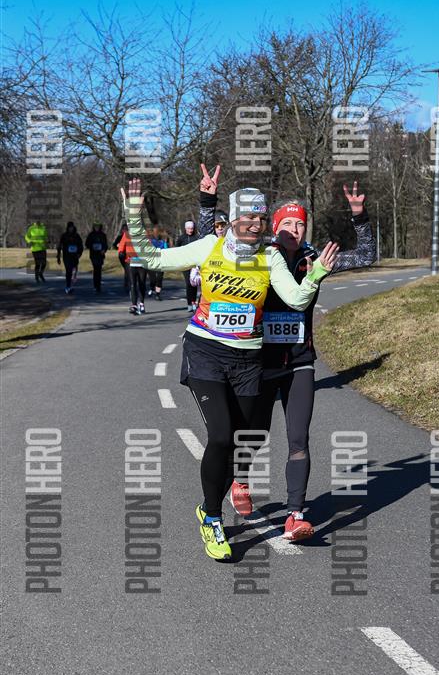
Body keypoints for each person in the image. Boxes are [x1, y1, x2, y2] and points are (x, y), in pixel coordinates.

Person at [123, 175, 339, 561]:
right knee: (221, 436)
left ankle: (212, 503)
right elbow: (153, 258)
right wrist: (134, 217)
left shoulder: (269, 257)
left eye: (260, 219)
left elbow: (295, 299)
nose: (255, 225)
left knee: (242, 440)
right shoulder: (210, 245)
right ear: (234, 219)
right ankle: (212, 518)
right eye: (248, 219)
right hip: (205, 352)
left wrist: (317, 273)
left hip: (247, 360)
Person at [201, 180, 376, 541]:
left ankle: (295, 515)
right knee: (255, 433)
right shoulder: (260, 256)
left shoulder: (315, 258)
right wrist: (207, 202)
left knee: (299, 438)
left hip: (299, 361)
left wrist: (359, 216)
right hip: (259, 362)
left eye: (300, 224)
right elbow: (213, 246)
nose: (295, 230)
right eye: (287, 224)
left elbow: (365, 257)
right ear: (275, 227)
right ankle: (240, 479)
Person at [118, 226, 147, 314]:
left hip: (142, 262)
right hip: (131, 262)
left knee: (142, 283)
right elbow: (121, 248)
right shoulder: (126, 234)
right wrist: (121, 253)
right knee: (133, 284)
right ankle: (134, 305)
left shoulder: (144, 233)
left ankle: (141, 303)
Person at [176, 220, 199, 311]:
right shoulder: (181, 238)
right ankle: (189, 303)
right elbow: (177, 249)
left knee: (194, 283)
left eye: (192, 228)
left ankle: (193, 301)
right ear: (185, 229)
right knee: (188, 283)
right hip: (185, 264)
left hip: (194, 264)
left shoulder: (196, 238)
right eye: (189, 228)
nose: (190, 230)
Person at [57, 222, 83, 294]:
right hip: (66, 256)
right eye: (69, 227)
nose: (71, 229)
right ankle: (68, 287)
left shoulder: (76, 236)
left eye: (72, 227)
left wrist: (79, 253)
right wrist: (58, 257)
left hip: (74, 256)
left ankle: (73, 277)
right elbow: (59, 246)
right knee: (68, 271)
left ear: (73, 227)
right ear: (67, 228)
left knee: (74, 269)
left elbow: (80, 245)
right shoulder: (64, 236)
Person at [85, 222, 108, 293]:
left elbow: (105, 245)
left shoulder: (103, 235)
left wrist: (104, 250)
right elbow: (87, 244)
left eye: (98, 226)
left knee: (99, 269)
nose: (97, 228)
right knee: (95, 269)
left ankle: (98, 286)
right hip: (93, 254)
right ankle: (95, 285)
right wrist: (92, 246)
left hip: (100, 255)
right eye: (95, 226)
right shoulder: (91, 235)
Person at [147, 225, 168, 300]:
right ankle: (152, 288)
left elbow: (166, 250)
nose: (156, 233)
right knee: (153, 279)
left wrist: (165, 244)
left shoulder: (162, 241)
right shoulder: (150, 241)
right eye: (155, 232)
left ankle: (158, 294)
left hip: (160, 261)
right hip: (152, 261)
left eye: (158, 232)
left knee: (159, 278)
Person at [113, 223, 130, 290]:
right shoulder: (120, 237)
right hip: (122, 256)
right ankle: (127, 283)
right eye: (124, 229)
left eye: (126, 229)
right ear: (122, 230)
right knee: (126, 268)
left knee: (127, 269)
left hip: (129, 255)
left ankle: (127, 283)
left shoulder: (130, 236)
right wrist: (118, 246)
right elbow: (114, 245)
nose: (125, 231)